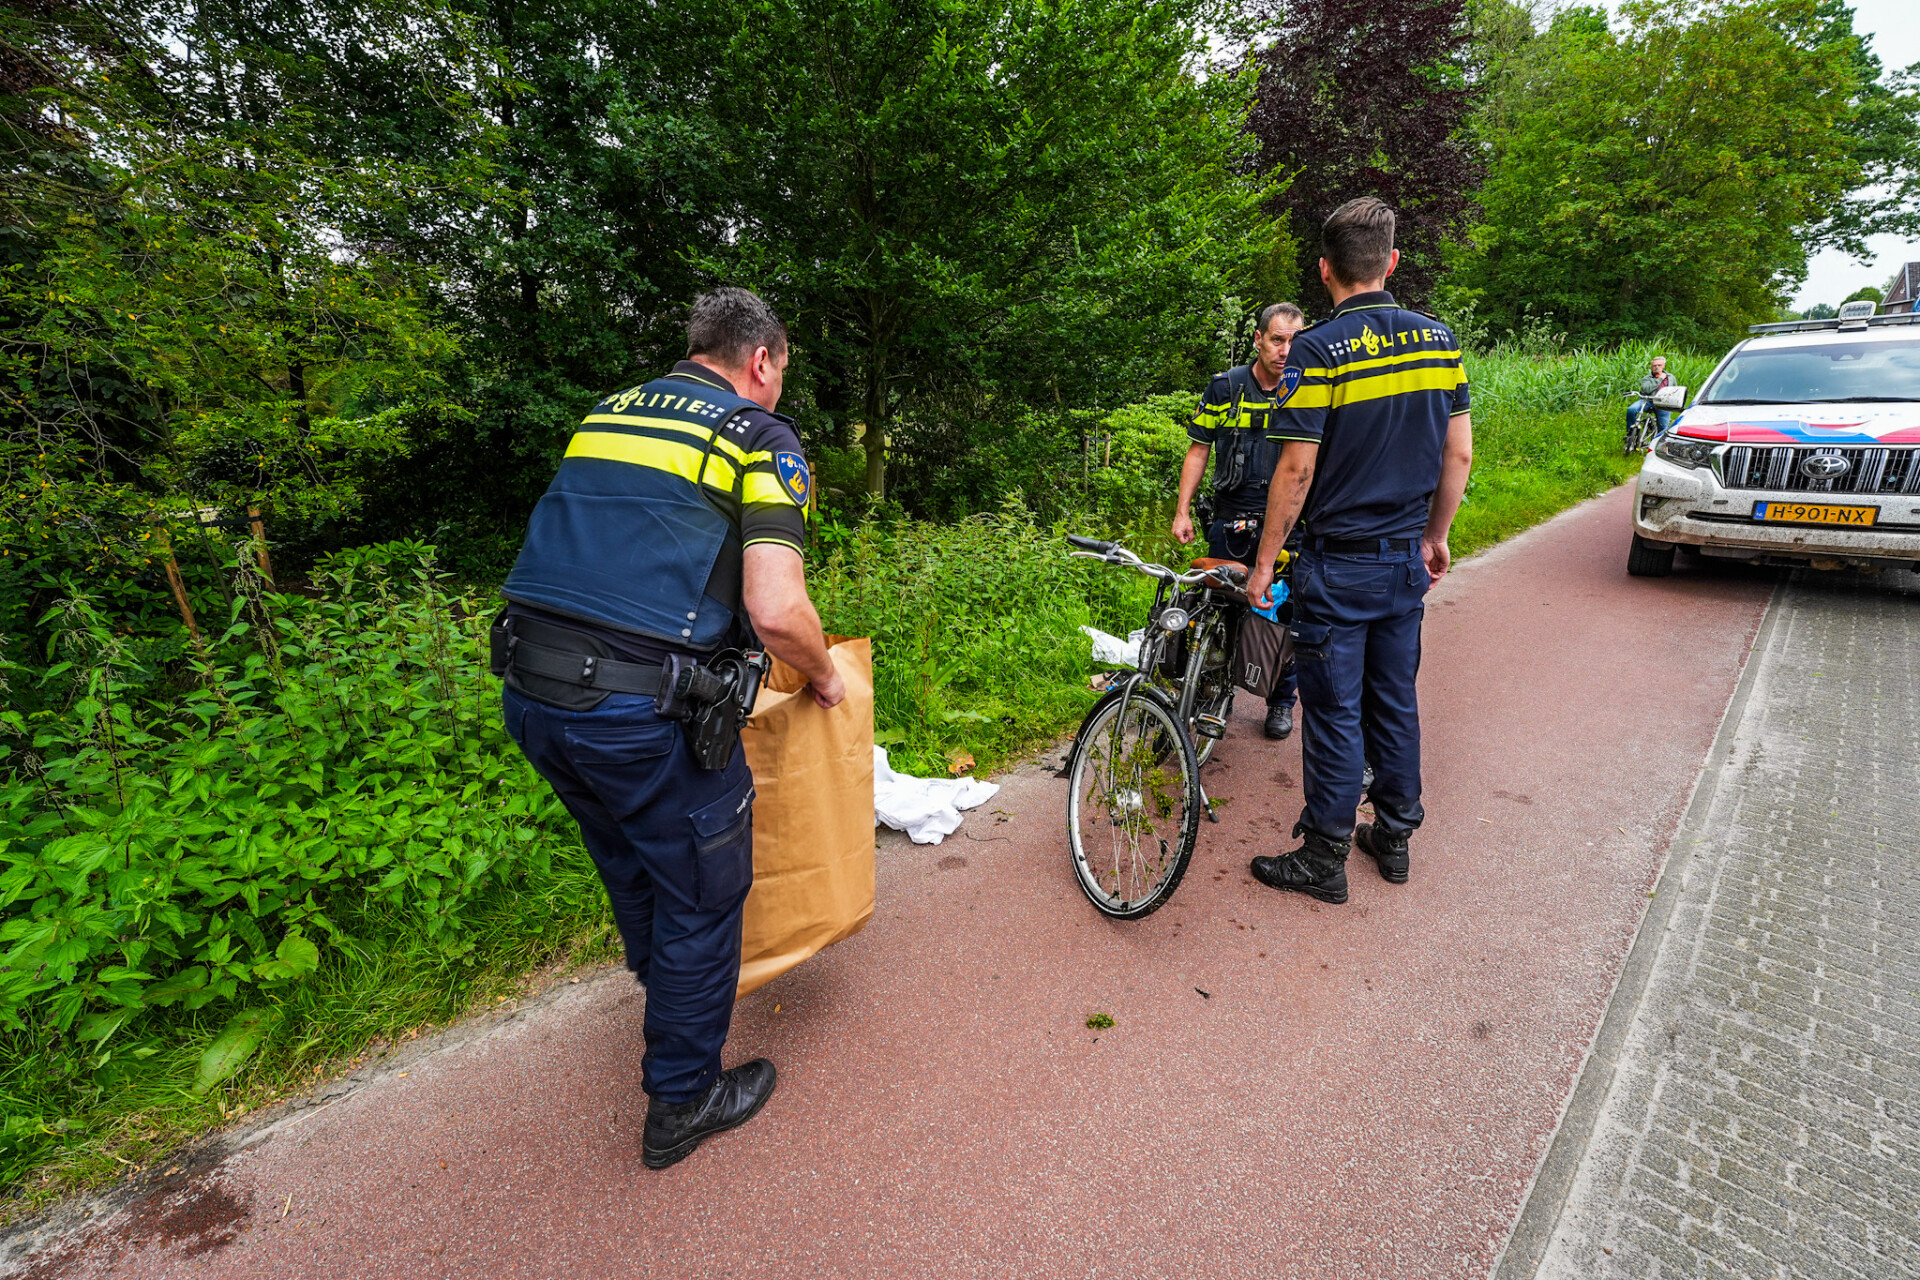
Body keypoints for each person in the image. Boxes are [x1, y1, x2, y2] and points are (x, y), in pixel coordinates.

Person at [493, 287, 844, 1169]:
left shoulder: (609, 413)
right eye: (781, 369)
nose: (778, 385)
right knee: (703, 891)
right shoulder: (758, 436)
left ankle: (672, 994)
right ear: (760, 360)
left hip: (530, 692)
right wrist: (825, 674)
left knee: (629, 855)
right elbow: (776, 608)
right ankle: (683, 1101)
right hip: (638, 714)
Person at [1243, 198, 1473, 904]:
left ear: (1325, 270)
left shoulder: (1316, 349)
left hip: (1336, 565)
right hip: (1403, 561)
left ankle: (1323, 855)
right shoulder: (1439, 342)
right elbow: (1458, 455)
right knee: (1394, 701)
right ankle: (1395, 837)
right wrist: (1435, 537)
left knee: (1335, 709)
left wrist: (1263, 564)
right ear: (1391, 262)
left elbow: (1296, 469)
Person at [1172, 302, 1307, 739]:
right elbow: (1198, 450)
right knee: (1219, 612)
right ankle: (1216, 691)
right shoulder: (1225, 388)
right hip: (1231, 524)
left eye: (1294, 341)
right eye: (1277, 339)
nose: (1285, 350)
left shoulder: (1308, 389)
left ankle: (1280, 701)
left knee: (1282, 617)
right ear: (1258, 339)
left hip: (1288, 527)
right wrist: (1182, 510)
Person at [1627, 355, 1676, 438]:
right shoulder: (1647, 378)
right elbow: (1646, 390)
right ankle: (1630, 435)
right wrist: (1660, 379)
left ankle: (1659, 443)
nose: (1657, 367)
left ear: (1664, 366)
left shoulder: (1671, 377)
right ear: (1651, 367)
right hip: (1647, 401)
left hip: (1663, 403)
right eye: (1654, 365)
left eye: (1659, 365)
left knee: (1663, 427)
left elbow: (1674, 390)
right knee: (1631, 410)